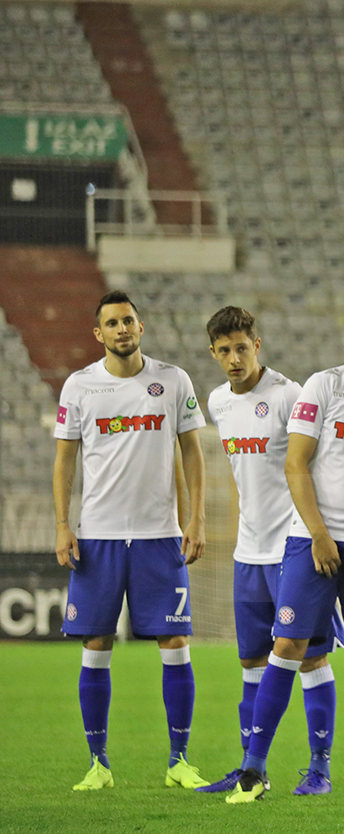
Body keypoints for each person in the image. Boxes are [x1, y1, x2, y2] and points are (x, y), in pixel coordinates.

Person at [225, 306, 344, 803]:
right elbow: (297, 464)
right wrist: (318, 533)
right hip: (299, 542)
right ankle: (253, 769)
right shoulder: (323, 387)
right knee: (278, 651)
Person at [53, 291, 209, 791]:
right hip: (97, 536)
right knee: (96, 644)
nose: (122, 329)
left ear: (141, 327)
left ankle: (178, 760)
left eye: (129, 321)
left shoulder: (173, 379)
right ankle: (98, 763)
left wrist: (197, 518)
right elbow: (64, 461)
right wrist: (62, 524)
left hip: (159, 536)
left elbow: (193, 453)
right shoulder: (79, 387)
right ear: (98, 334)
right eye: (112, 323)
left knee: (176, 641)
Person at [200, 306, 317, 794]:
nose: (233, 358)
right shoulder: (217, 402)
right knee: (251, 661)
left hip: (291, 545)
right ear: (213, 353)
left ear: (257, 345)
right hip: (248, 551)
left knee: (307, 659)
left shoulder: (289, 396)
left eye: (241, 348)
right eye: (224, 350)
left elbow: (308, 466)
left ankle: (320, 770)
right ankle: (253, 766)